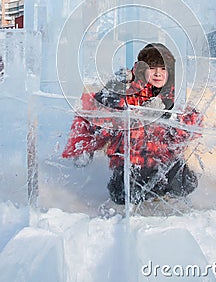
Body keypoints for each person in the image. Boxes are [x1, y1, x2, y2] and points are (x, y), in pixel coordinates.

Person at [62, 43, 202, 205]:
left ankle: (160, 193)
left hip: (164, 161)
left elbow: (193, 124)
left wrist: (168, 116)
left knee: (185, 184)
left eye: (163, 69)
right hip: (133, 161)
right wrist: (116, 90)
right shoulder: (129, 87)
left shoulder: (175, 94)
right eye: (153, 68)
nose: (158, 73)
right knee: (126, 194)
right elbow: (102, 110)